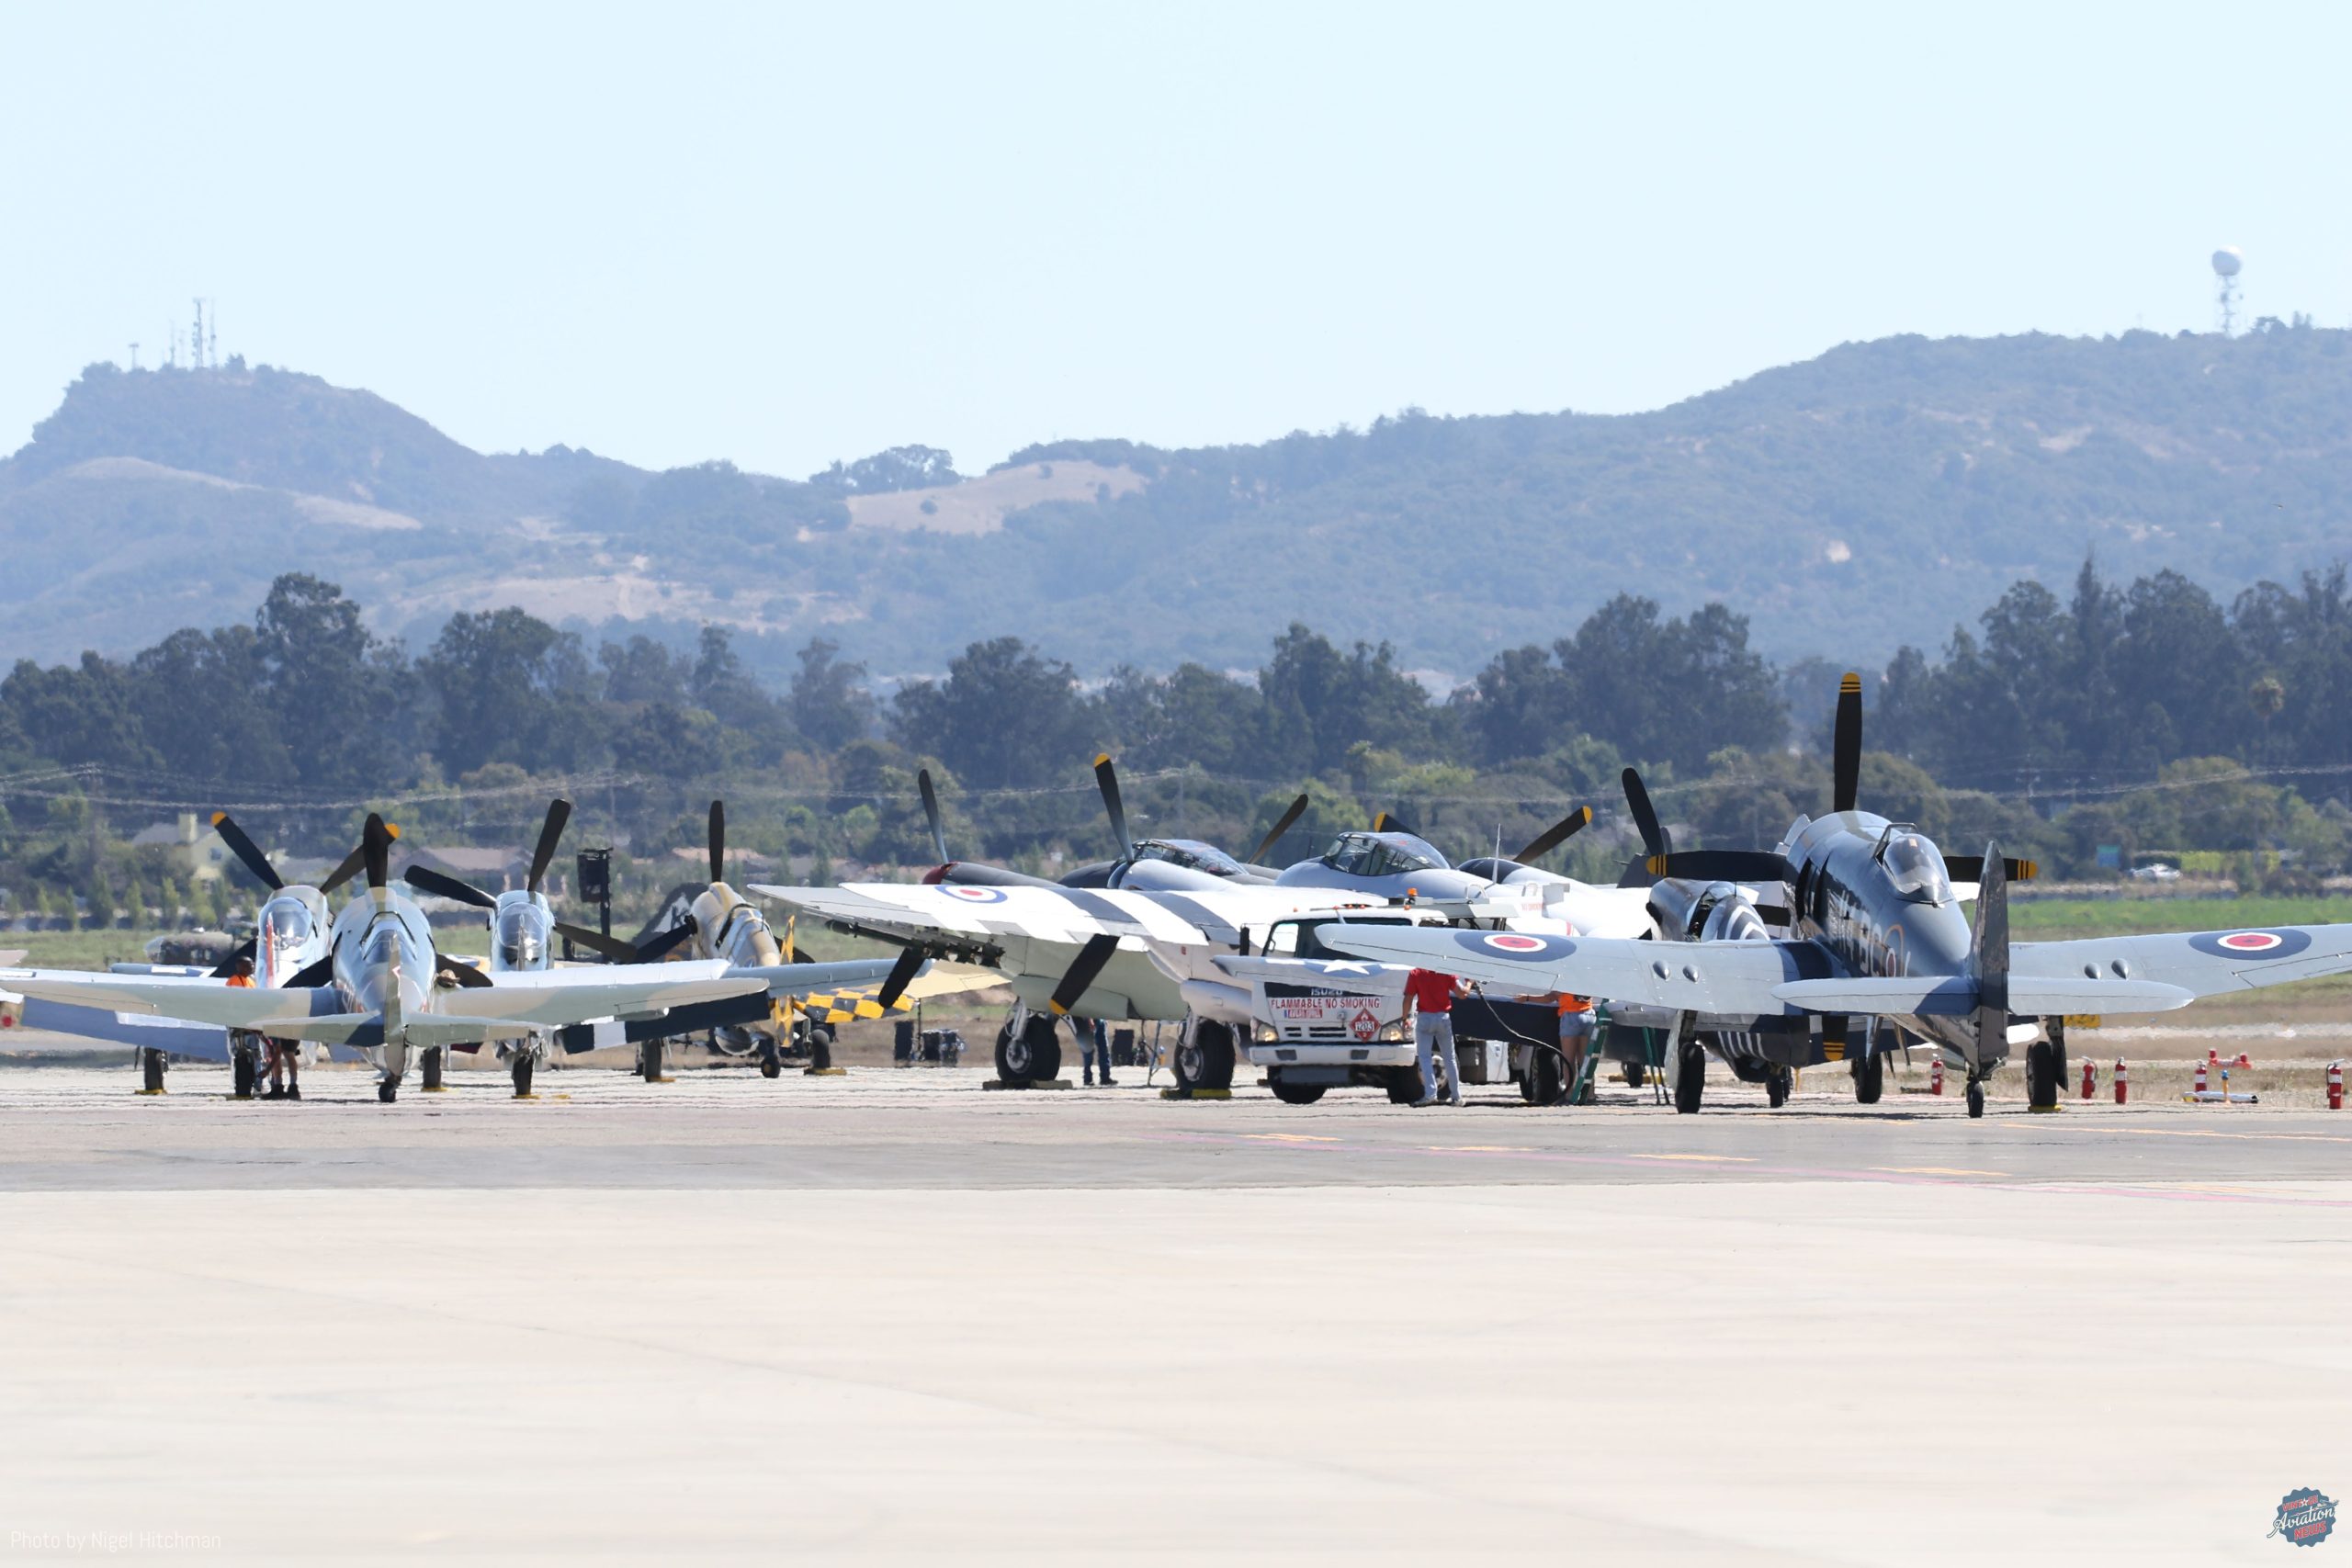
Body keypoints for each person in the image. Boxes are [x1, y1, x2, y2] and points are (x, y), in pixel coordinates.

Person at [1401, 966, 1468, 1107]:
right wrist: (1470, 982)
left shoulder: (1416, 973)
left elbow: (1408, 998)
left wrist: (1405, 1018)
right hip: (1443, 1017)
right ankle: (1456, 1097)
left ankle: (1430, 1094)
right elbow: (1462, 994)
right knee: (1449, 1057)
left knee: (1424, 1057)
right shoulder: (1447, 971)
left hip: (1424, 1017)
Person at [1555, 989, 1596, 1103]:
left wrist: (1527, 998)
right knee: (1585, 1060)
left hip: (1571, 1016)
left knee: (1568, 1060)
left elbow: (1552, 996)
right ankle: (1590, 1094)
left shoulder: (1565, 980)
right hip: (1589, 1015)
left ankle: (1570, 1094)